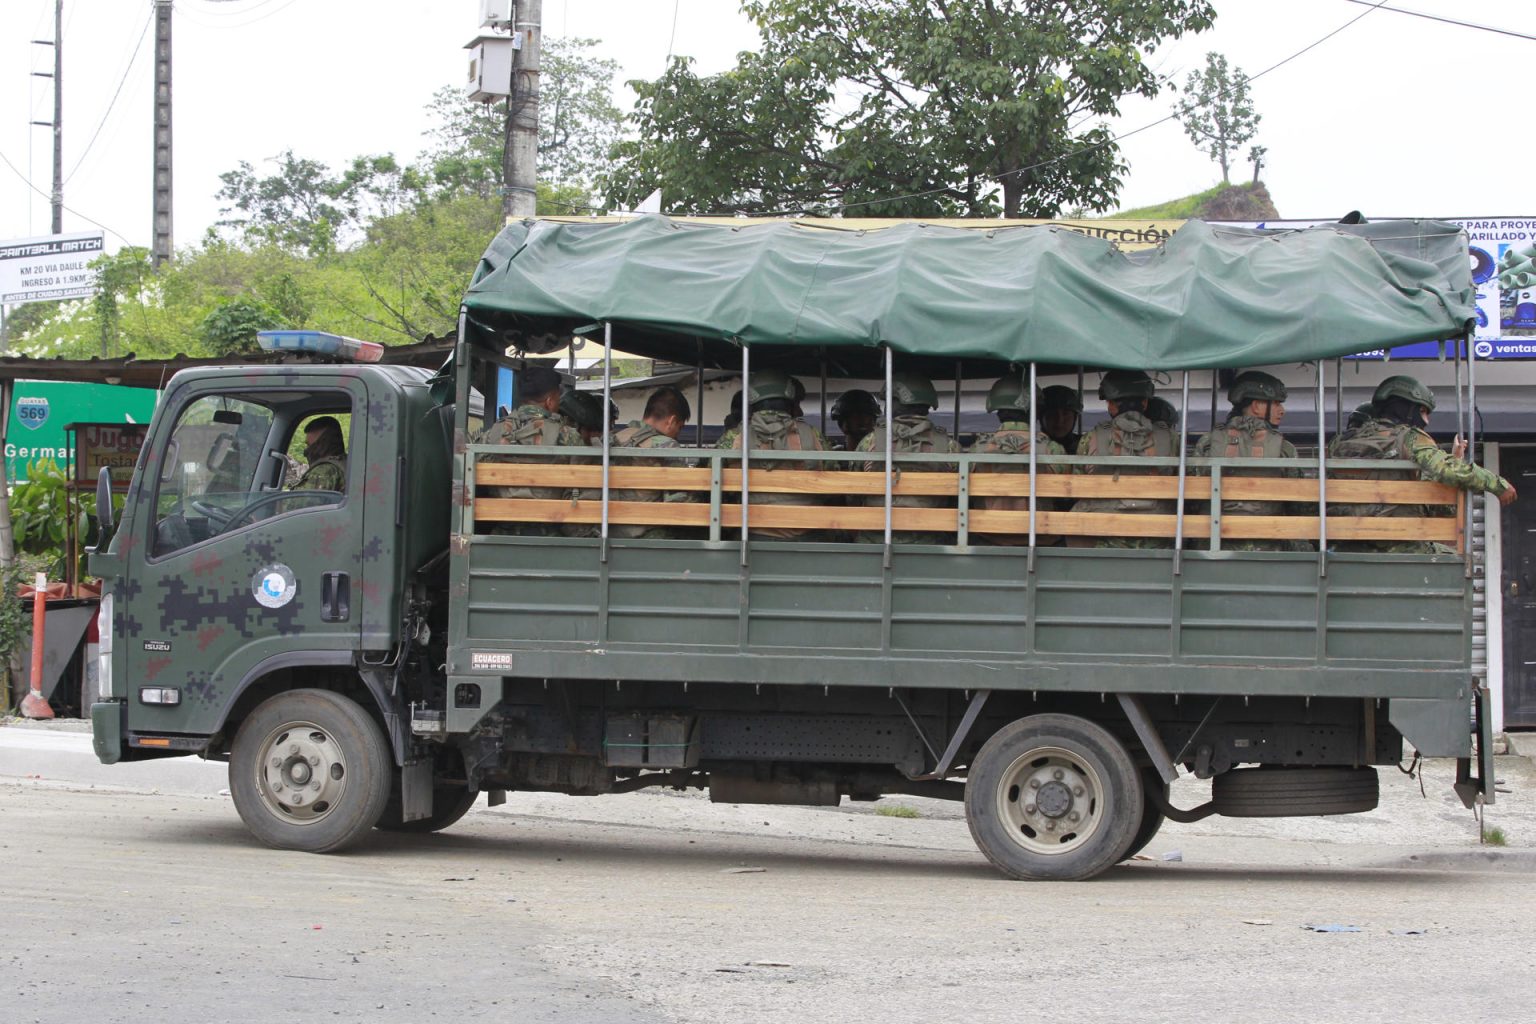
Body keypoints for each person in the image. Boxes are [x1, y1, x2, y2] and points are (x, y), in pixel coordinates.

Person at [1328, 375, 1516, 553]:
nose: (1426, 420)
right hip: (1398, 542)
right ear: (1407, 410)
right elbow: (1447, 471)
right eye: (1423, 411)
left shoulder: (1340, 442)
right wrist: (1497, 484)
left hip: (1342, 541)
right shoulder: (1410, 437)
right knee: (1451, 557)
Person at [1192, 370, 1304, 551]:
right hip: (1268, 544)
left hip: (1212, 541)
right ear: (1256, 406)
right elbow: (1298, 504)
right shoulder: (1284, 448)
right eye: (1275, 403)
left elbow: (1193, 496)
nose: (1281, 410)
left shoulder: (1208, 442)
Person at [566, 386, 695, 539]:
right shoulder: (667, 445)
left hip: (604, 531)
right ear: (672, 421)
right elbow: (679, 502)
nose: (678, 434)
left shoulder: (610, 439)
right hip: (646, 535)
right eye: (679, 427)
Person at [717, 369, 831, 540]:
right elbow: (833, 476)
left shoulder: (734, 437)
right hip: (808, 534)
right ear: (789, 396)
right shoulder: (813, 435)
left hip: (752, 534)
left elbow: (713, 480)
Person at [473, 365, 587, 535]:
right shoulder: (567, 436)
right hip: (552, 532)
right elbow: (583, 481)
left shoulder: (493, 434)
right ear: (549, 401)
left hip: (502, 529)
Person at [1071, 370, 1176, 548]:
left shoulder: (1091, 438)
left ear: (1111, 405)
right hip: (1157, 536)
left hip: (1103, 536)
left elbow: (1077, 484)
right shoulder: (1171, 438)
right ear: (1145, 402)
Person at [855, 371, 961, 544]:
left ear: (898, 401)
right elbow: (958, 499)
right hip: (931, 538)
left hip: (875, 538)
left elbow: (853, 492)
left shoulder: (870, 442)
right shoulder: (949, 446)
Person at [967, 374, 1066, 546]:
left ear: (997, 411)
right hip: (1041, 537)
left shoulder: (977, 450)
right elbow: (1065, 496)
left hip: (989, 536)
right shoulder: (1053, 450)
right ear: (1036, 410)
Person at [291, 416, 346, 491]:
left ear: (324, 445)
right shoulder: (346, 462)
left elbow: (297, 501)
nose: (306, 451)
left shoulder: (323, 471)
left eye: (309, 445)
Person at [1039, 385, 1084, 455]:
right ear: (1041, 417)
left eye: (1066, 413)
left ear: (1075, 417)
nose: (1059, 420)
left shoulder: (1087, 447)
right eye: (1052, 413)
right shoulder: (1031, 447)